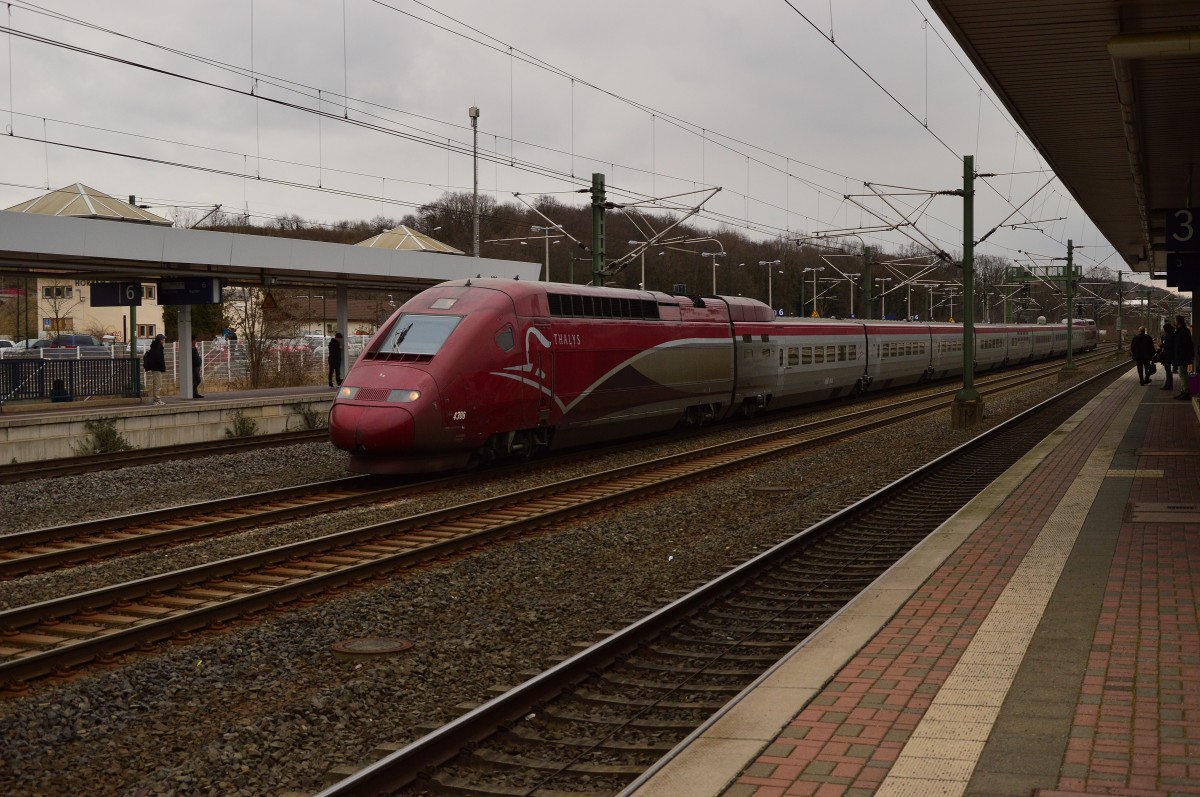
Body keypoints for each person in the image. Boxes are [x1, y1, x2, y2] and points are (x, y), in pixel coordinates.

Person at [1173, 315, 1194, 401]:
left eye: (1175, 321)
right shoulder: (1181, 330)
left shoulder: (1184, 331)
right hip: (1181, 356)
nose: (1174, 322)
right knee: (1182, 374)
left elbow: (1185, 345)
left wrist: (1183, 354)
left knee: (1183, 375)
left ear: (1178, 322)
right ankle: (1183, 391)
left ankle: (1185, 392)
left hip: (1183, 356)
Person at [143, 333, 167, 405]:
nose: (163, 341)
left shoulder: (155, 346)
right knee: (158, 384)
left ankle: (156, 399)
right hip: (157, 368)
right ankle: (157, 399)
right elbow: (158, 358)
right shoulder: (158, 347)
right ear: (160, 340)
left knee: (157, 383)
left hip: (155, 367)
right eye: (163, 339)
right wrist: (162, 365)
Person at [1157, 321, 1175, 391]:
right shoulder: (1168, 336)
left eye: (1164, 329)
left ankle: (1169, 385)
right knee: (1168, 370)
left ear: (1166, 330)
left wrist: (1162, 345)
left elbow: (1169, 345)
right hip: (1167, 355)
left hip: (1168, 355)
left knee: (1168, 370)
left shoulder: (1170, 336)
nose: (1163, 330)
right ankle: (1168, 384)